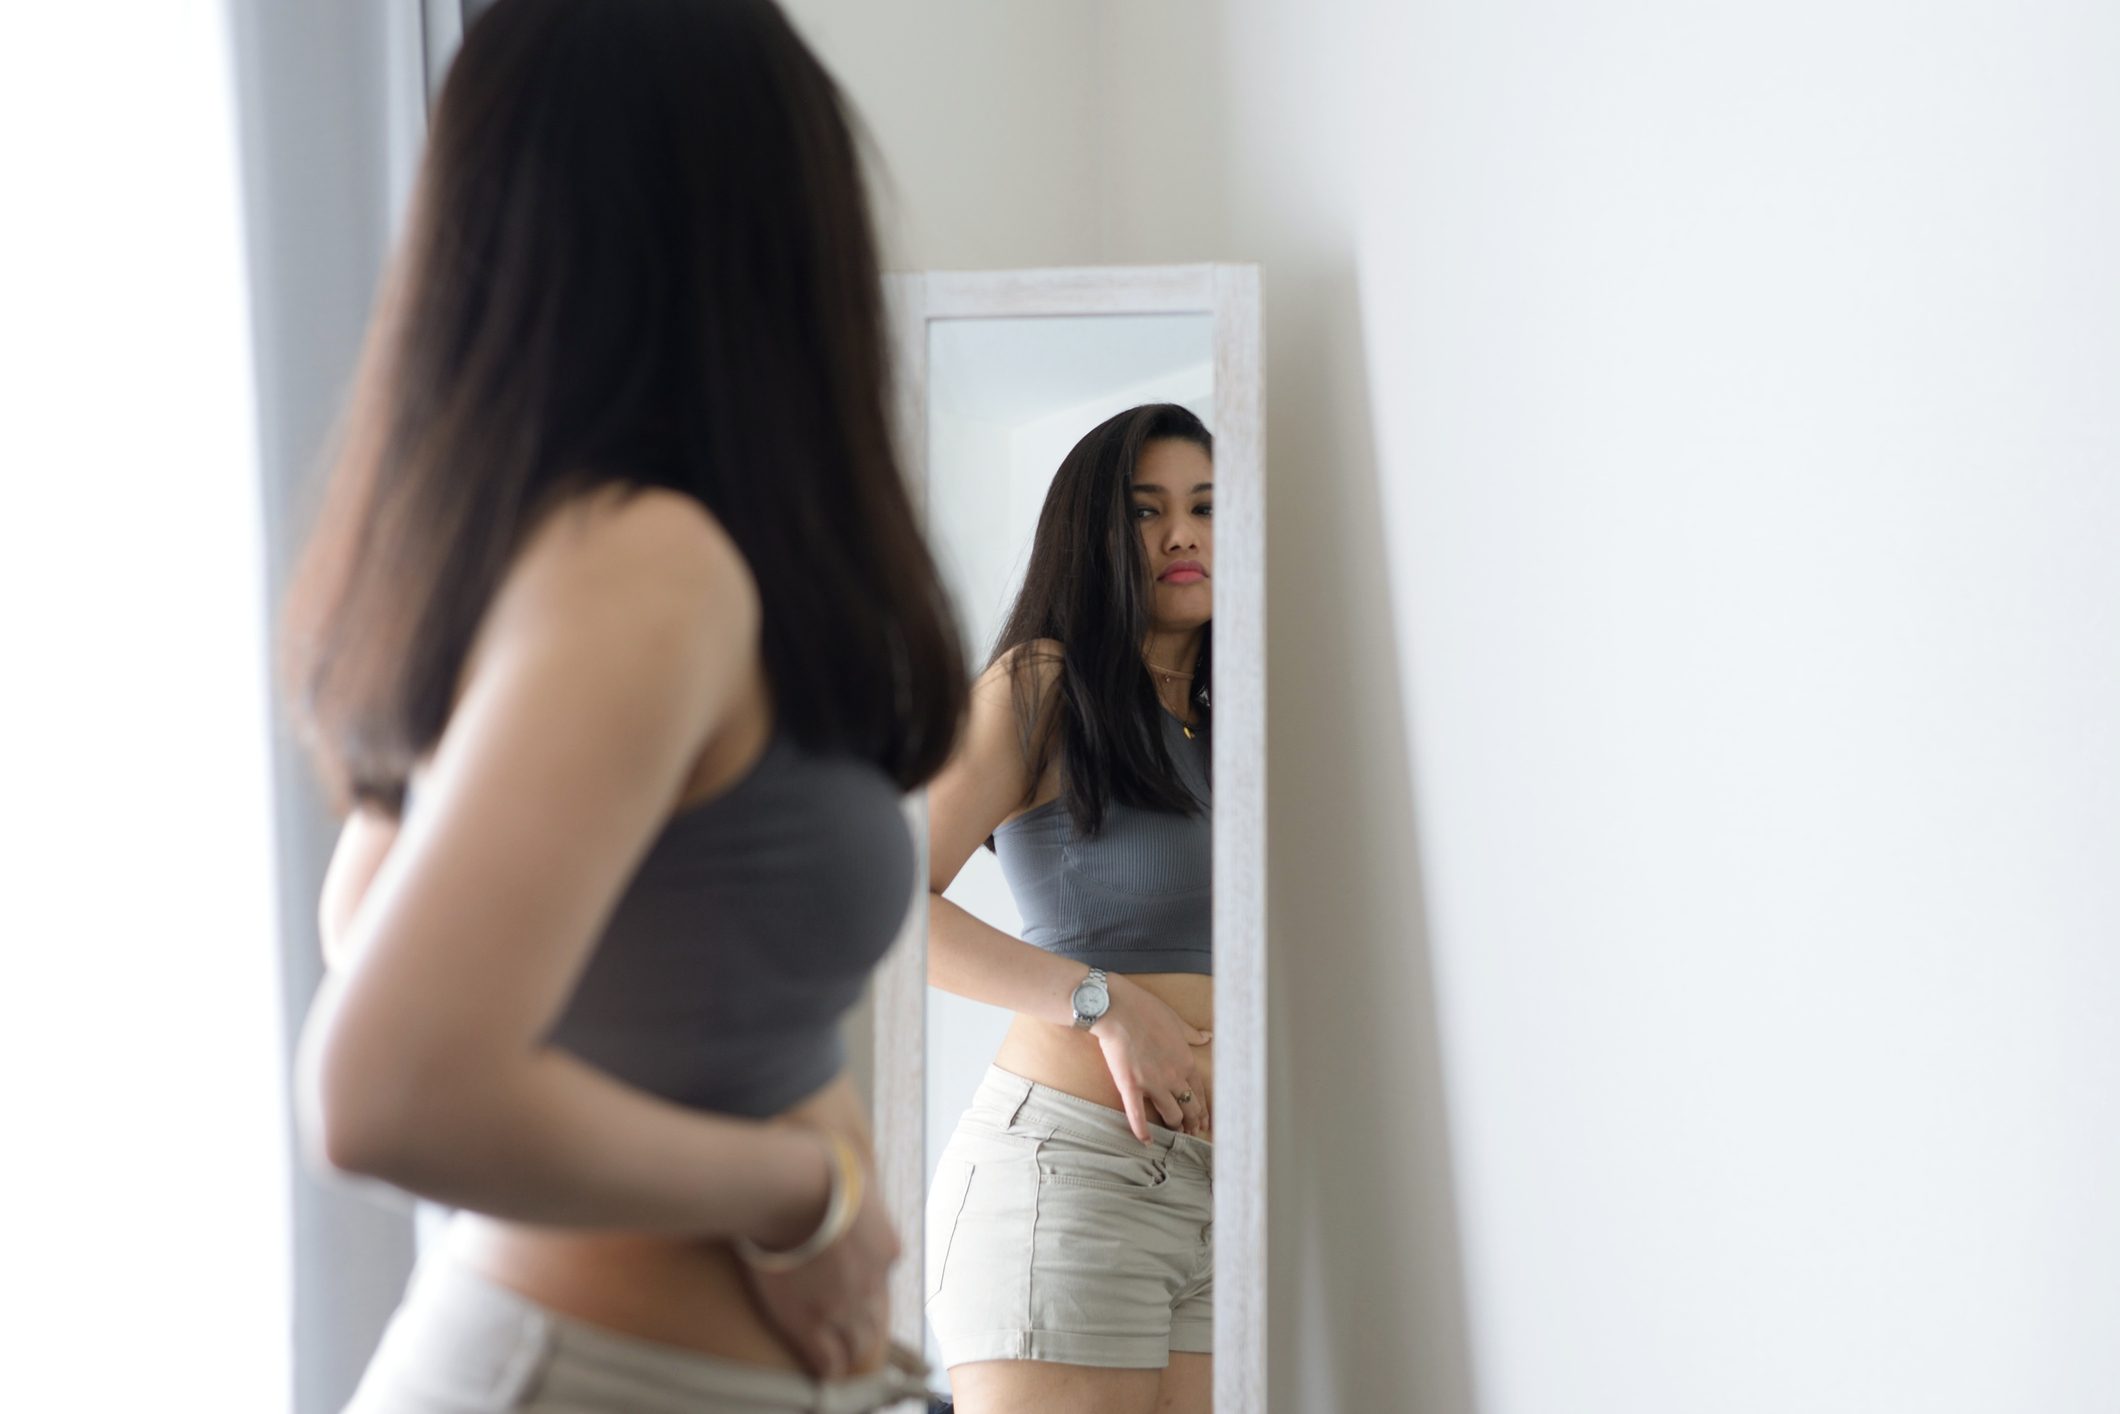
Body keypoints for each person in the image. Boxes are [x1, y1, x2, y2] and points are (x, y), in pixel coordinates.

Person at [282, 2, 967, 1410]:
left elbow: (365, 906)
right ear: (768, 213)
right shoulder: (648, 563)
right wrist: (802, 1188)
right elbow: (386, 1086)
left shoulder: (554, 549)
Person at [922, 403, 1217, 1414]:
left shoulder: (1237, 725)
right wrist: (1100, 1000)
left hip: (1217, 1199)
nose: (1182, 533)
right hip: (1069, 1177)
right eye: (1148, 510)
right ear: (1095, 533)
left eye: (1206, 506)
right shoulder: (1043, 685)